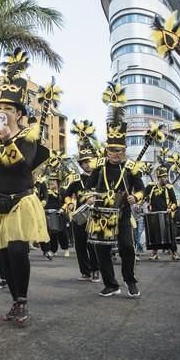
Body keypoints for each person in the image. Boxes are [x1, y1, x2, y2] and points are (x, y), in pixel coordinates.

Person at [0, 49, 50, 325]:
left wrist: (7, 140)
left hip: (20, 202)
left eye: (8, 110)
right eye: (0, 109)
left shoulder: (29, 138)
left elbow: (22, 167)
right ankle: (15, 296)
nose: (2, 113)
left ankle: (22, 300)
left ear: (18, 114)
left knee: (18, 250)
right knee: (2, 255)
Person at [86, 93, 145, 298]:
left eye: (118, 150)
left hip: (123, 214)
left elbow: (141, 189)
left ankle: (130, 280)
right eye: (111, 149)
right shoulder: (99, 166)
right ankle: (111, 284)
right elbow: (88, 186)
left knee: (127, 248)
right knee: (101, 250)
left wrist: (135, 197)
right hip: (101, 214)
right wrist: (89, 196)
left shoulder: (130, 168)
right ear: (106, 149)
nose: (114, 153)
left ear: (124, 149)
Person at [64, 120, 100, 282]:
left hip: (96, 215)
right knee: (79, 244)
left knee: (94, 244)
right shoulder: (76, 179)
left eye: (89, 161)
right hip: (80, 216)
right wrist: (69, 204)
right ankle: (85, 271)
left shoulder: (100, 178)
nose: (86, 164)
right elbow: (66, 194)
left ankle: (96, 270)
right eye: (84, 162)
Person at [145, 166, 180, 261]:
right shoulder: (151, 187)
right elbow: (144, 196)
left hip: (166, 214)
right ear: (159, 177)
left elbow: (175, 203)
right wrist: (142, 203)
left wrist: (171, 209)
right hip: (154, 215)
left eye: (166, 176)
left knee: (171, 234)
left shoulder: (169, 188)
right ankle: (155, 253)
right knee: (155, 233)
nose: (166, 179)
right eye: (164, 177)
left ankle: (174, 253)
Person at [40, 176, 70, 258]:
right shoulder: (46, 191)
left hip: (59, 213)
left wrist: (62, 209)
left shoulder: (62, 191)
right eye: (50, 180)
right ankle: (53, 250)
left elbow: (67, 201)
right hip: (49, 214)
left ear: (58, 182)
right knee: (52, 233)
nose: (52, 182)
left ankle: (66, 249)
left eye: (54, 180)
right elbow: (43, 200)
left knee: (62, 233)